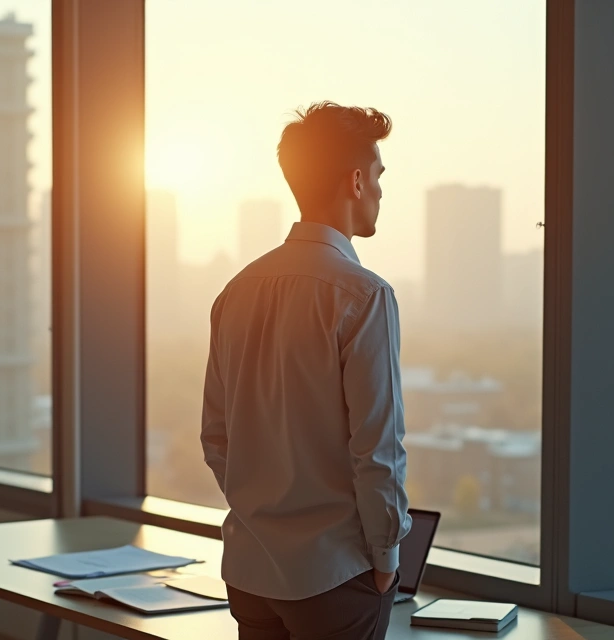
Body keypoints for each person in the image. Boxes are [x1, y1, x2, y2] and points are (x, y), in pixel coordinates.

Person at [200, 101, 412, 640]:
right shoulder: (366, 295)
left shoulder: (236, 291)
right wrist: (385, 558)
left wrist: (263, 513)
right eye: (381, 177)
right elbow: (378, 449)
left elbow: (216, 438)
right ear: (357, 180)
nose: (383, 191)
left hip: (250, 571)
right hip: (335, 574)